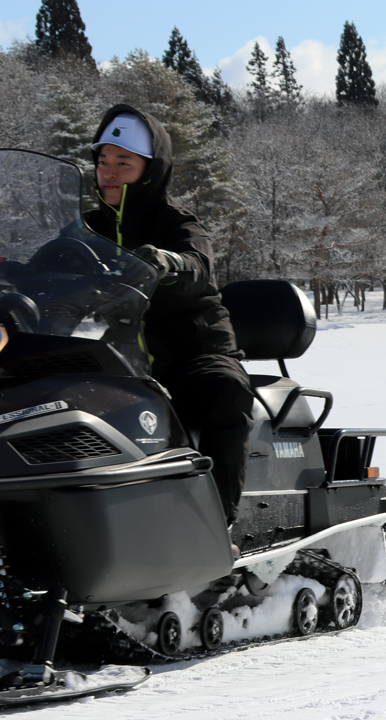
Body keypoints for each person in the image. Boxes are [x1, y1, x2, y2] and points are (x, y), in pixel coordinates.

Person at [84, 104, 253, 526]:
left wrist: (170, 262)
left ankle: (217, 526)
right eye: (103, 160)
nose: (110, 170)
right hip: (120, 360)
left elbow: (199, 264)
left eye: (124, 161)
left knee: (226, 392)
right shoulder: (85, 231)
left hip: (192, 352)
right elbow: (43, 271)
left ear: (150, 167)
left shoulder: (177, 223)